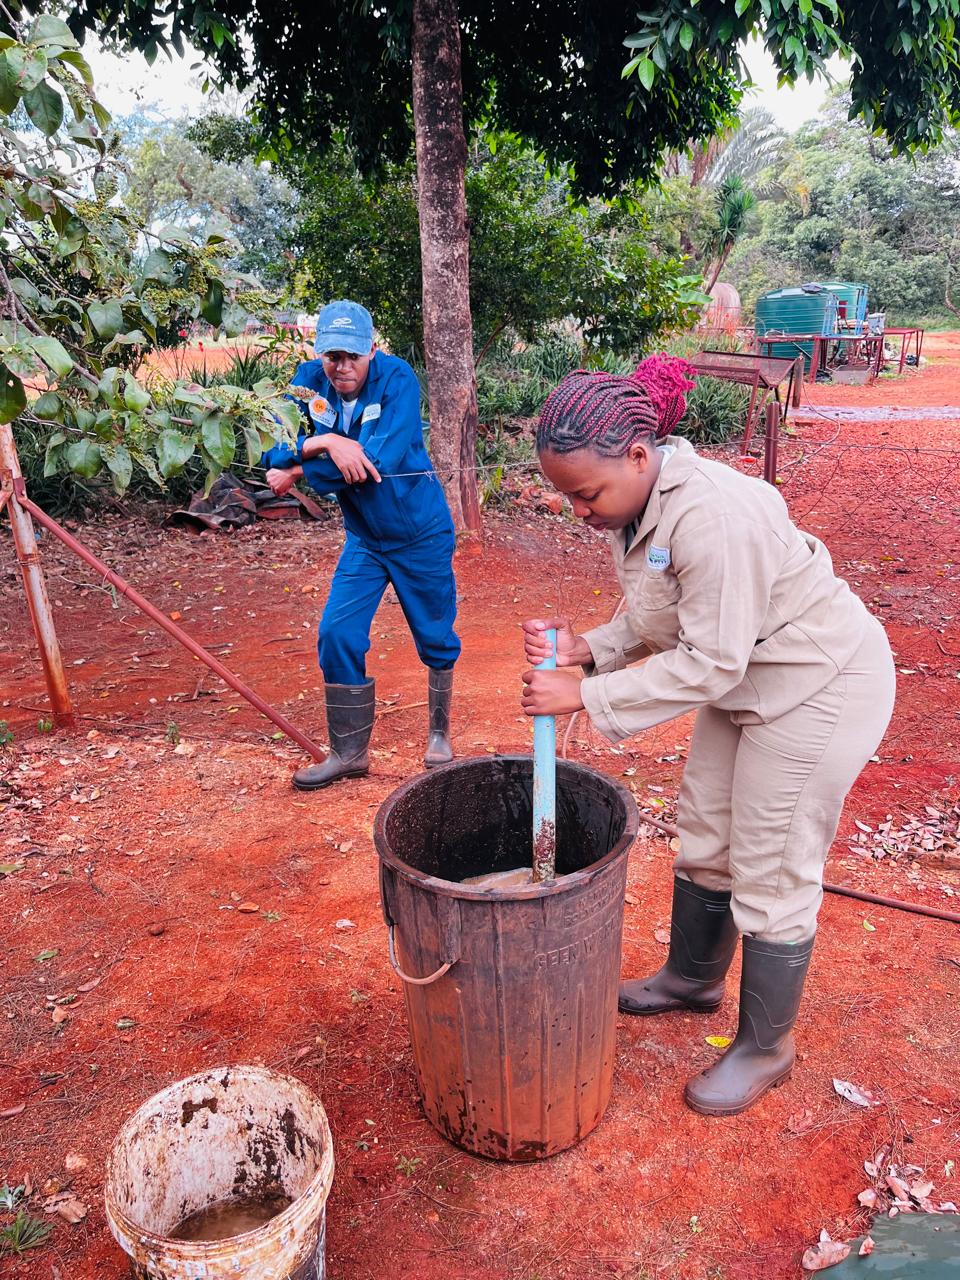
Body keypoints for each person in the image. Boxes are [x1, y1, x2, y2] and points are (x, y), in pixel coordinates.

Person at [520, 355, 895, 1116]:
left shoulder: (715, 515)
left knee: (772, 859)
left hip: (817, 684)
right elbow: (672, 613)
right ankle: (692, 979)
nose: (580, 513)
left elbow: (711, 658)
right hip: (747, 676)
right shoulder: (640, 502)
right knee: (708, 830)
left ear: (636, 455)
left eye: (586, 495)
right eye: (568, 499)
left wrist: (583, 694)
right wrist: (589, 647)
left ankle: (765, 1048)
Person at [263, 300, 460, 790]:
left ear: (372, 350)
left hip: (420, 533)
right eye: (332, 355)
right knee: (338, 634)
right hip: (365, 540)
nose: (341, 366)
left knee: (435, 634)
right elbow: (271, 444)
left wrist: (301, 469)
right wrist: (323, 444)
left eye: (352, 355)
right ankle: (349, 752)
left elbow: (374, 464)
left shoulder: (397, 379)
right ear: (319, 352)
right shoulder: (306, 380)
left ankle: (439, 731)